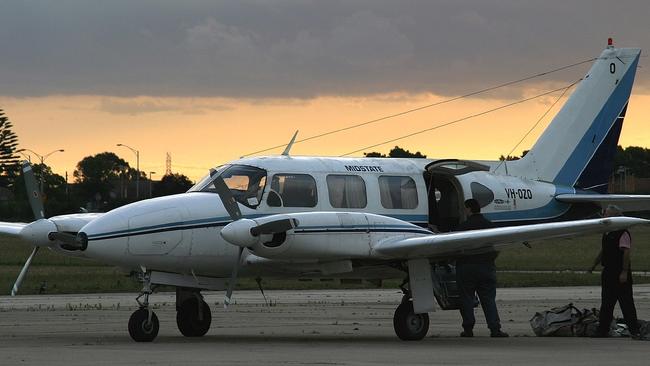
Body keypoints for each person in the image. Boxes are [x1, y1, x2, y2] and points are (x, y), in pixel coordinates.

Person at [454, 198, 509, 338]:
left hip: (466, 268)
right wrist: (490, 259)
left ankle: (468, 328)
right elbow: (497, 246)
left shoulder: (462, 227)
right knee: (488, 299)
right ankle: (495, 328)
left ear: (468, 209)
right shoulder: (489, 225)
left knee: (466, 299)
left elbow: (455, 248)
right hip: (486, 267)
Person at [589, 205, 640, 339]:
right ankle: (602, 330)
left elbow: (626, 252)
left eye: (606, 214)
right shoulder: (607, 232)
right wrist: (594, 264)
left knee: (626, 302)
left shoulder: (623, 233)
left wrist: (624, 272)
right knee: (607, 302)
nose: (604, 217)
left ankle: (635, 330)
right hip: (608, 272)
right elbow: (604, 250)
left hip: (619, 272)